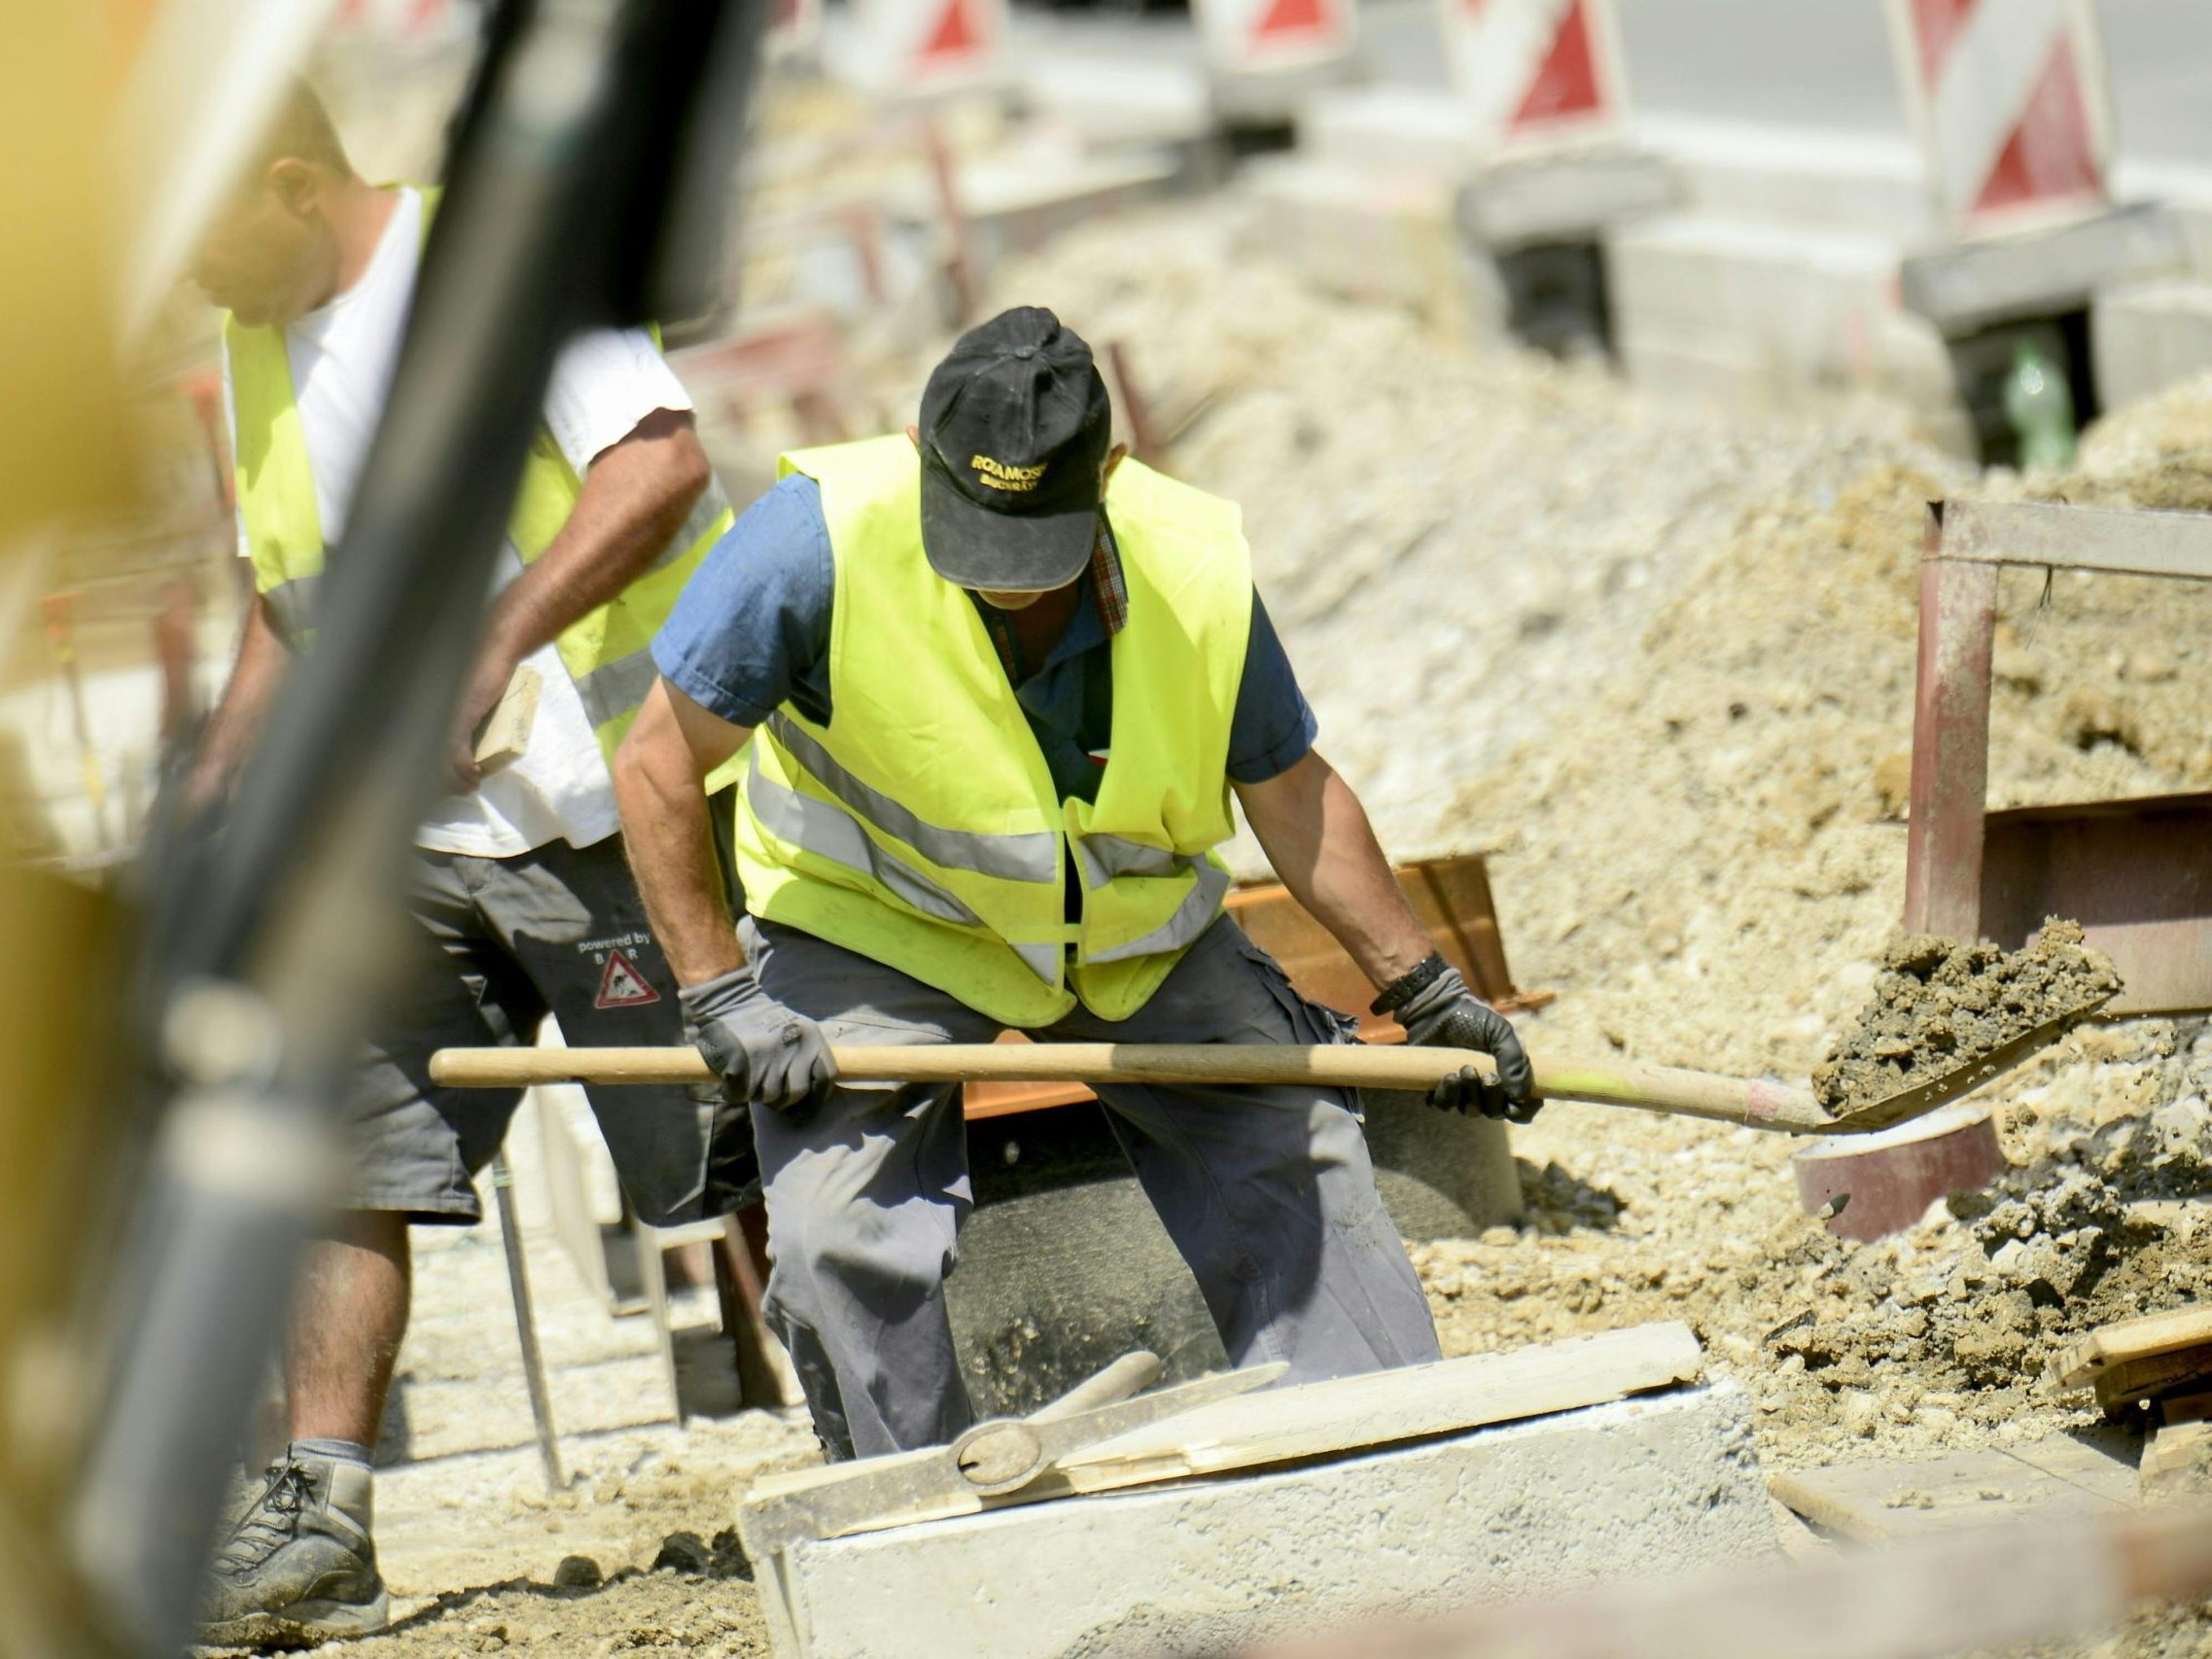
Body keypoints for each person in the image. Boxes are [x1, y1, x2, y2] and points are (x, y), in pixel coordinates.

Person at [613, 305, 1538, 1463]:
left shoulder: (1190, 565)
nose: (1006, 583)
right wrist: (716, 992)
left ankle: (1378, 1456)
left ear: (1106, 469)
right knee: (832, 1230)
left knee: (1294, 1145)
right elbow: (654, 762)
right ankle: (913, 1511)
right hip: (878, 924)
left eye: (1035, 545)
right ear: (919, 444)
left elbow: (1289, 788)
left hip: (1130, 933)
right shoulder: (814, 537)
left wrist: (1425, 986)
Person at [186, 83, 745, 1646]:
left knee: (743, 1138)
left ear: (294, 184)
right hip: (415, 837)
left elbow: (659, 467)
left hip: (607, 810)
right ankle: (324, 1515)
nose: (192, 285)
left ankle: (879, 1429)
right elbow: (278, 589)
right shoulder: (254, 331)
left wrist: (494, 644)